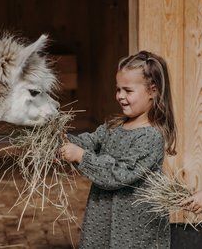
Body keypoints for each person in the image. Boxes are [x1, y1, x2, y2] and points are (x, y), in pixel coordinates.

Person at [60, 50, 177, 249]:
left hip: (134, 224)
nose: (120, 96)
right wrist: (62, 141)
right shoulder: (114, 125)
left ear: (153, 91)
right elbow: (89, 141)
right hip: (103, 214)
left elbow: (119, 174)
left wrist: (80, 156)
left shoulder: (151, 137)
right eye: (118, 89)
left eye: (128, 91)